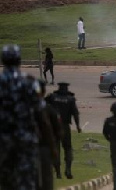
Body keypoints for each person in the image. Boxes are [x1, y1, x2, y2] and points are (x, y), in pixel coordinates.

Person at [0, 44, 56, 190]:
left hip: (3, 143)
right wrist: (52, 146)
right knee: (28, 181)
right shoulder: (30, 83)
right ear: (19, 61)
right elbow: (42, 117)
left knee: (6, 183)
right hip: (26, 142)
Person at [46, 81, 82, 179]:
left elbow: (44, 108)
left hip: (54, 127)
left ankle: (58, 172)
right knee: (68, 148)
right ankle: (68, 170)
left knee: (56, 148)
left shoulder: (52, 97)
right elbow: (75, 113)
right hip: (65, 126)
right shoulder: (70, 99)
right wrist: (78, 126)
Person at [38, 79, 61, 190]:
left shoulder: (24, 109)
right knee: (47, 179)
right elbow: (57, 130)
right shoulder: (48, 110)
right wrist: (54, 147)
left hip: (26, 151)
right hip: (44, 148)